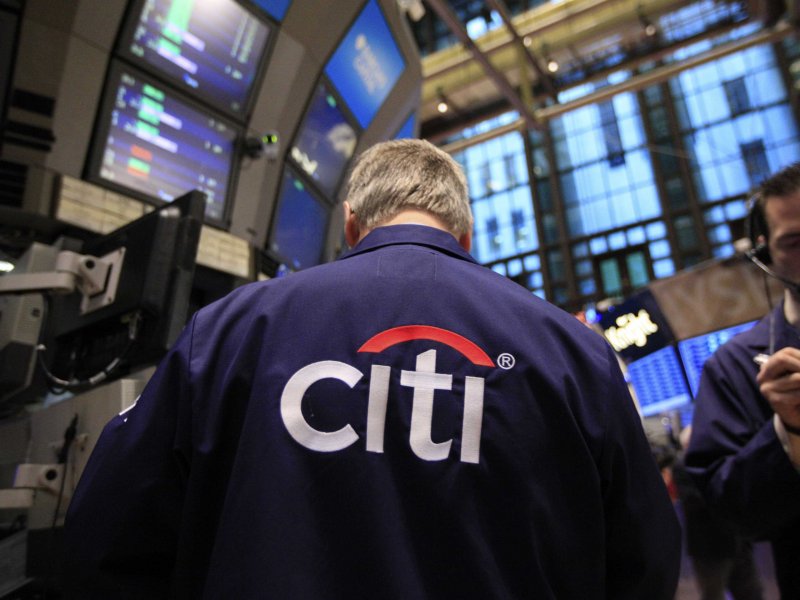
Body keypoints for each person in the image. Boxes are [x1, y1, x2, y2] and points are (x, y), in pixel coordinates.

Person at [62, 139, 680, 599]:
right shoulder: (575, 353)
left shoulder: (230, 330)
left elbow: (107, 538)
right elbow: (645, 561)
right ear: (466, 237)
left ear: (353, 224)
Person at [685, 162, 800, 598]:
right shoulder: (736, 366)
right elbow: (733, 510)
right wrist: (788, 431)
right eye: (795, 241)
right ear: (765, 253)